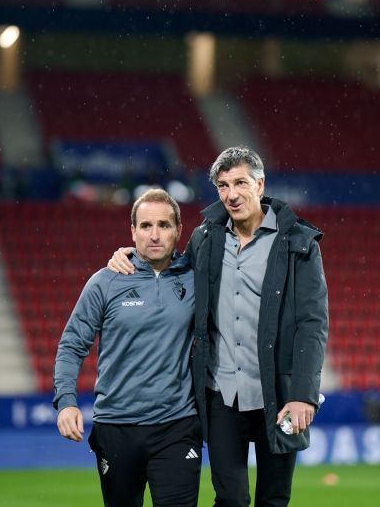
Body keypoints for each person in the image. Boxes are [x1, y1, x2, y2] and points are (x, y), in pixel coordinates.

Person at [108, 147, 329, 507]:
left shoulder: (298, 245)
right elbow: (171, 273)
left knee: (274, 499)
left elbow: (312, 324)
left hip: (279, 392)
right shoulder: (205, 238)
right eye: (223, 185)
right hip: (222, 393)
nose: (231, 194)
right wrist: (130, 254)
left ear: (260, 185)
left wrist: (303, 394)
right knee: (231, 499)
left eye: (240, 182)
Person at [54, 189, 201, 507]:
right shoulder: (105, 282)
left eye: (164, 225)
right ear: (132, 231)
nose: (155, 234)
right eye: (146, 226)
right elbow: (72, 345)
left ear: (178, 230)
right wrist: (66, 402)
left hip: (177, 426)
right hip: (116, 426)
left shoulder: (197, 279)